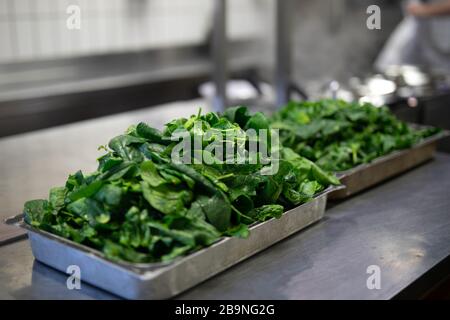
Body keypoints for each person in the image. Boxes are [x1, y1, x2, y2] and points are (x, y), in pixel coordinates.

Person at [375, 0, 450, 73]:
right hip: (416, 23)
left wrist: (424, 10)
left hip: (442, 27)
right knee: (388, 68)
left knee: (442, 73)